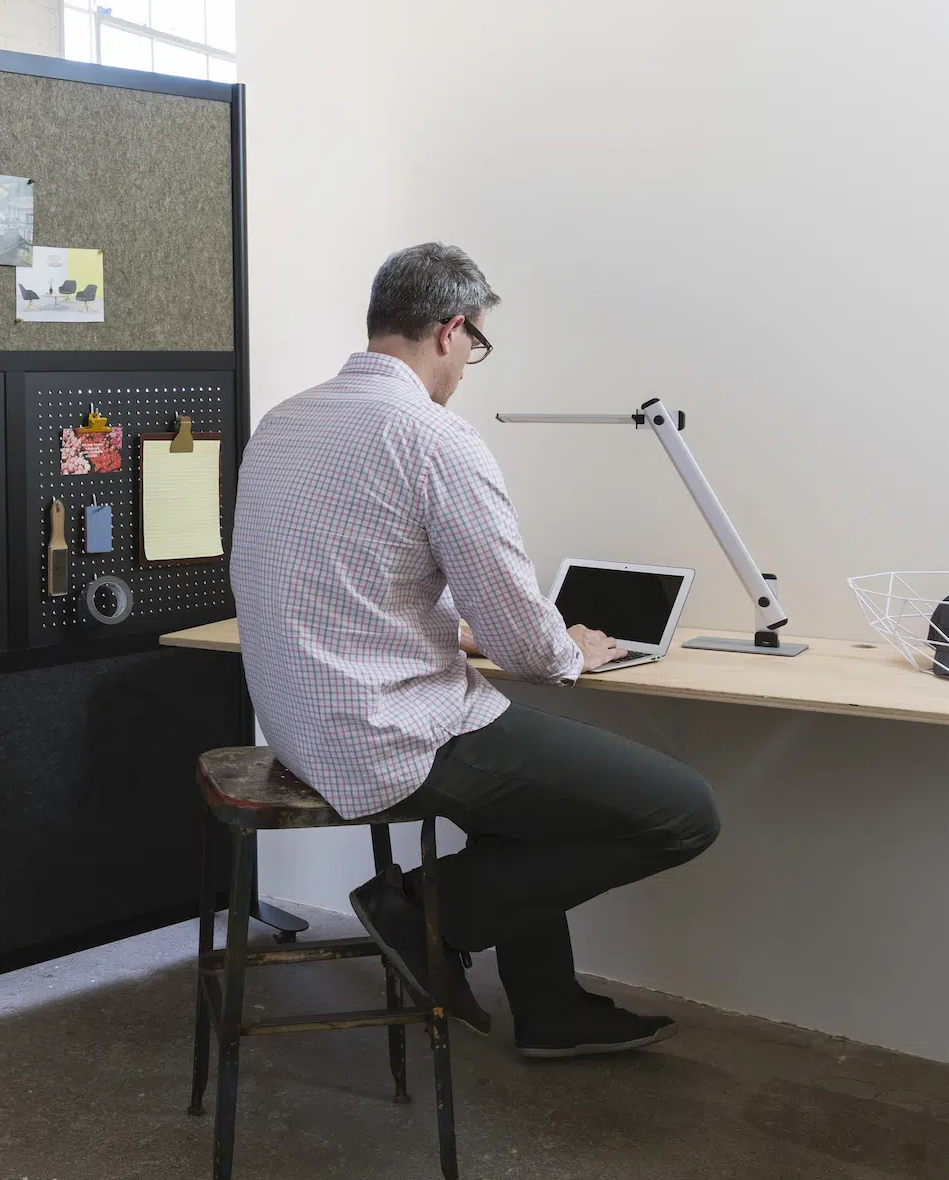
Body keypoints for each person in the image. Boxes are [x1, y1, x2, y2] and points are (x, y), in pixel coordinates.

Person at [230, 241, 720, 1058]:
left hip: (298, 726)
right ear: (450, 330)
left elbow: (345, 577)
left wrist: (453, 629)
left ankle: (551, 1012)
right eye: (475, 347)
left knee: (533, 809)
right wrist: (572, 650)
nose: (466, 369)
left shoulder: (286, 421)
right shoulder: (434, 439)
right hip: (391, 733)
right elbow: (525, 646)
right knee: (685, 811)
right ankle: (423, 912)